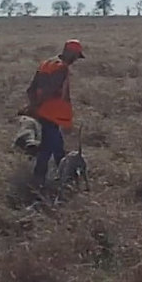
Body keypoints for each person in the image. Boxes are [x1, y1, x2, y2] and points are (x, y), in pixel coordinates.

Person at [25, 39, 85, 189]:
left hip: (44, 113)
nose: (76, 60)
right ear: (71, 53)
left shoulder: (47, 64)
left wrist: (33, 106)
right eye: (76, 56)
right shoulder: (61, 68)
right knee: (46, 149)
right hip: (51, 114)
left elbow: (31, 88)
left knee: (58, 148)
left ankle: (66, 178)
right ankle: (37, 182)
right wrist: (34, 107)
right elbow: (49, 91)